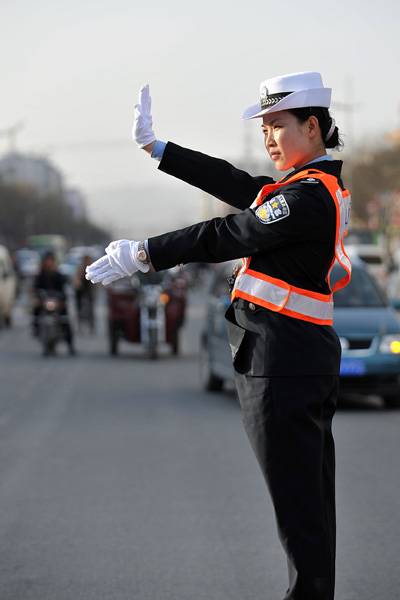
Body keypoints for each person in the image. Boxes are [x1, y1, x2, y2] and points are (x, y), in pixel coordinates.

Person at [86, 71, 351, 600]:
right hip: (294, 362)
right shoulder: (304, 188)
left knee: (301, 516)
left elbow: (229, 232)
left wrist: (144, 254)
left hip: (282, 366)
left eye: (279, 125)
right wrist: (158, 148)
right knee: (309, 509)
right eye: (265, 128)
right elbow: (234, 183)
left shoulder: (305, 199)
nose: (269, 137)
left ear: (314, 128)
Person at [32, 251, 76, 355]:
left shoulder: (58, 275)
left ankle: (70, 345)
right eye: (47, 261)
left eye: (50, 261)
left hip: (57, 302)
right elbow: (35, 288)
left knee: (65, 319)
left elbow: (64, 289)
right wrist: (37, 297)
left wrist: (62, 299)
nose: (49, 263)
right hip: (44, 302)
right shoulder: (40, 275)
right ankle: (36, 328)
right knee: (36, 311)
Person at [73, 254, 95, 332]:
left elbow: (96, 282)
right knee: (79, 308)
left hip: (89, 290)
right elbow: (76, 279)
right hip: (80, 291)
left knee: (91, 309)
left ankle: (92, 326)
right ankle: (80, 325)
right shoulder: (81, 268)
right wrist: (78, 282)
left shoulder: (93, 269)